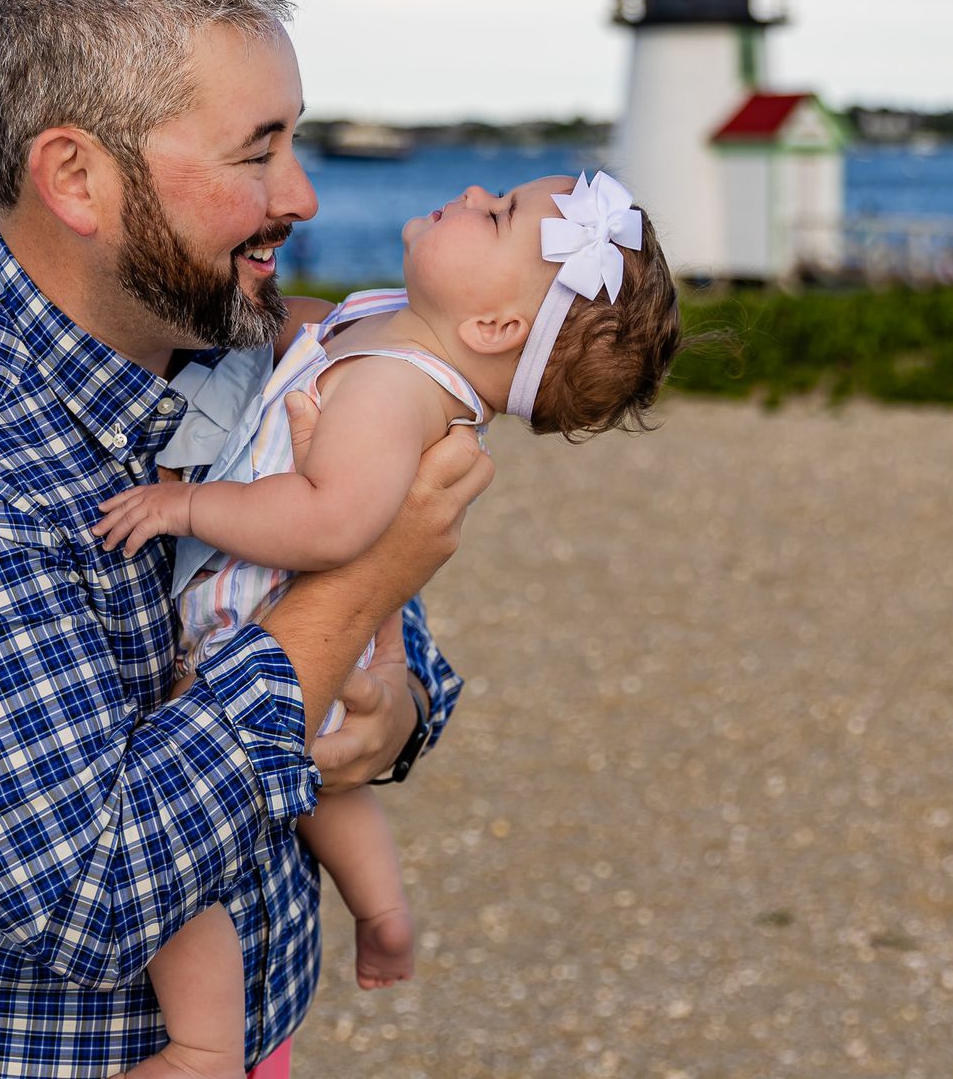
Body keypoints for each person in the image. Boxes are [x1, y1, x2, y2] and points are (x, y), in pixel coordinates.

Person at [0, 0, 491, 1079]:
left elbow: (377, 663)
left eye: (298, 139)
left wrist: (392, 715)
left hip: (249, 1034)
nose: (303, 194)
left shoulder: (233, 344)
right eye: (257, 151)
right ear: (77, 177)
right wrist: (366, 580)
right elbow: (92, 893)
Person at [94, 171, 685, 1079]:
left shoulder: (397, 390)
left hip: (256, 610)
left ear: (493, 327)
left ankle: (204, 1044)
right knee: (330, 787)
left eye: (496, 216)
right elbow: (300, 338)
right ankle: (382, 911)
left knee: (183, 859)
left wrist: (189, 509)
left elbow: (330, 521)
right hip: (337, 636)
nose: (478, 188)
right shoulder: (384, 321)